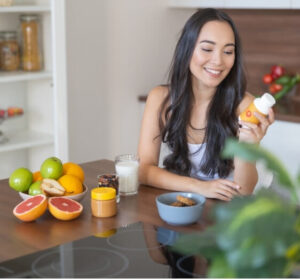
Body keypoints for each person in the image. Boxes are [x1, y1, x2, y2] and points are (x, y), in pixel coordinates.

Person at [138, 8, 274, 201]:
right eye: (207, 49)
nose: (218, 61)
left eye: (228, 51)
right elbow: (143, 171)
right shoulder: (160, 98)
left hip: (247, 207)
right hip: (196, 200)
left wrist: (248, 144)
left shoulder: (244, 105)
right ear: (187, 49)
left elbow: (244, 191)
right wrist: (200, 187)